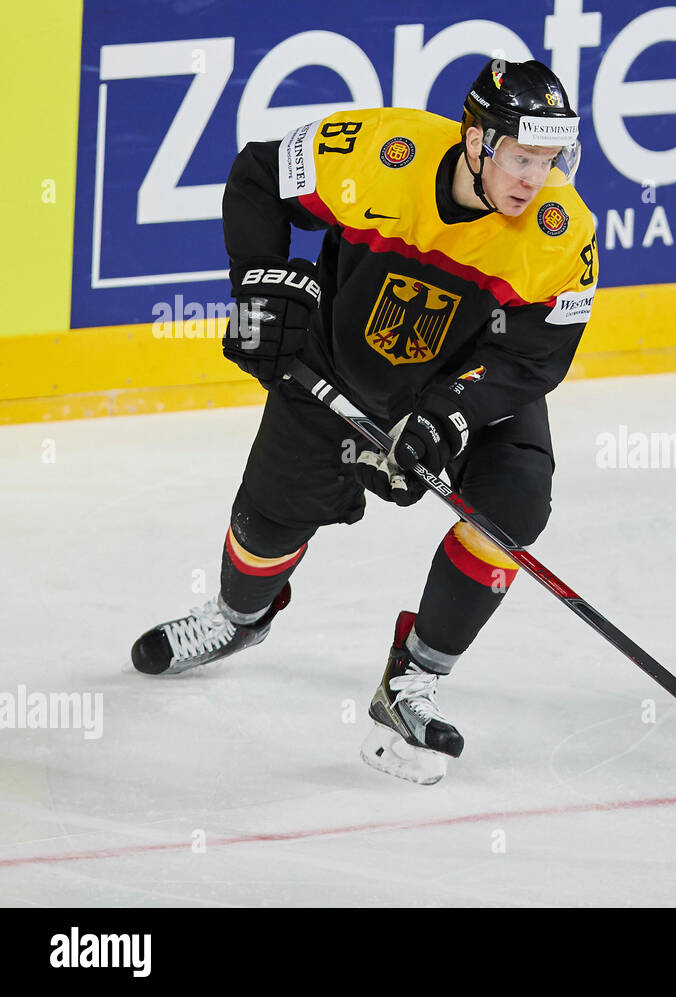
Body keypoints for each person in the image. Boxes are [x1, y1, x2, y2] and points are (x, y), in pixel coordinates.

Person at [130, 59, 598, 786]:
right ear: (475, 138)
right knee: (266, 525)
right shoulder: (381, 151)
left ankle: (411, 681)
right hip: (342, 365)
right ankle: (237, 617)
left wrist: (447, 415)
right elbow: (258, 176)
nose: (535, 178)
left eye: (548, 159)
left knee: (516, 500)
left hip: (461, 383)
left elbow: (534, 358)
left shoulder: (562, 233)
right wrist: (258, 283)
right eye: (519, 156)